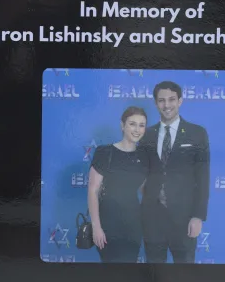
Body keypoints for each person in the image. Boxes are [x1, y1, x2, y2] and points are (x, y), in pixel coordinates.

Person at [139, 80, 210, 263]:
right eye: (161, 100)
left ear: (180, 101)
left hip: (184, 218)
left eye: (171, 99)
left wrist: (198, 216)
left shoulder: (197, 133)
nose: (167, 105)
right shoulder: (146, 135)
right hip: (152, 218)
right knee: (154, 272)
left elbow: (203, 177)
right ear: (156, 103)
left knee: (185, 272)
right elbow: (141, 173)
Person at [87, 106, 149, 263]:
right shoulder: (104, 152)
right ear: (123, 125)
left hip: (134, 226)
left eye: (141, 125)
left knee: (128, 269)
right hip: (108, 224)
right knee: (111, 270)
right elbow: (93, 191)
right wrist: (96, 227)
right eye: (132, 124)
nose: (137, 129)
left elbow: (145, 190)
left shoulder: (144, 156)